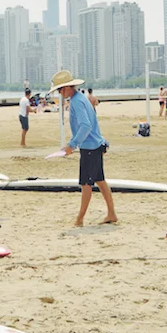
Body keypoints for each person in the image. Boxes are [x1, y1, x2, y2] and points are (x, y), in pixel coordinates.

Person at [52, 70, 116, 227]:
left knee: (86, 184)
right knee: (100, 180)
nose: (59, 93)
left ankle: (80, 219)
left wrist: (72, 145)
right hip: (96, 145)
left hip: (90, 148)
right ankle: (111, 214)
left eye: (60, 89)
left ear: (67, 87)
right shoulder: (81, 98)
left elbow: (85, 126)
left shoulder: (76, 101)